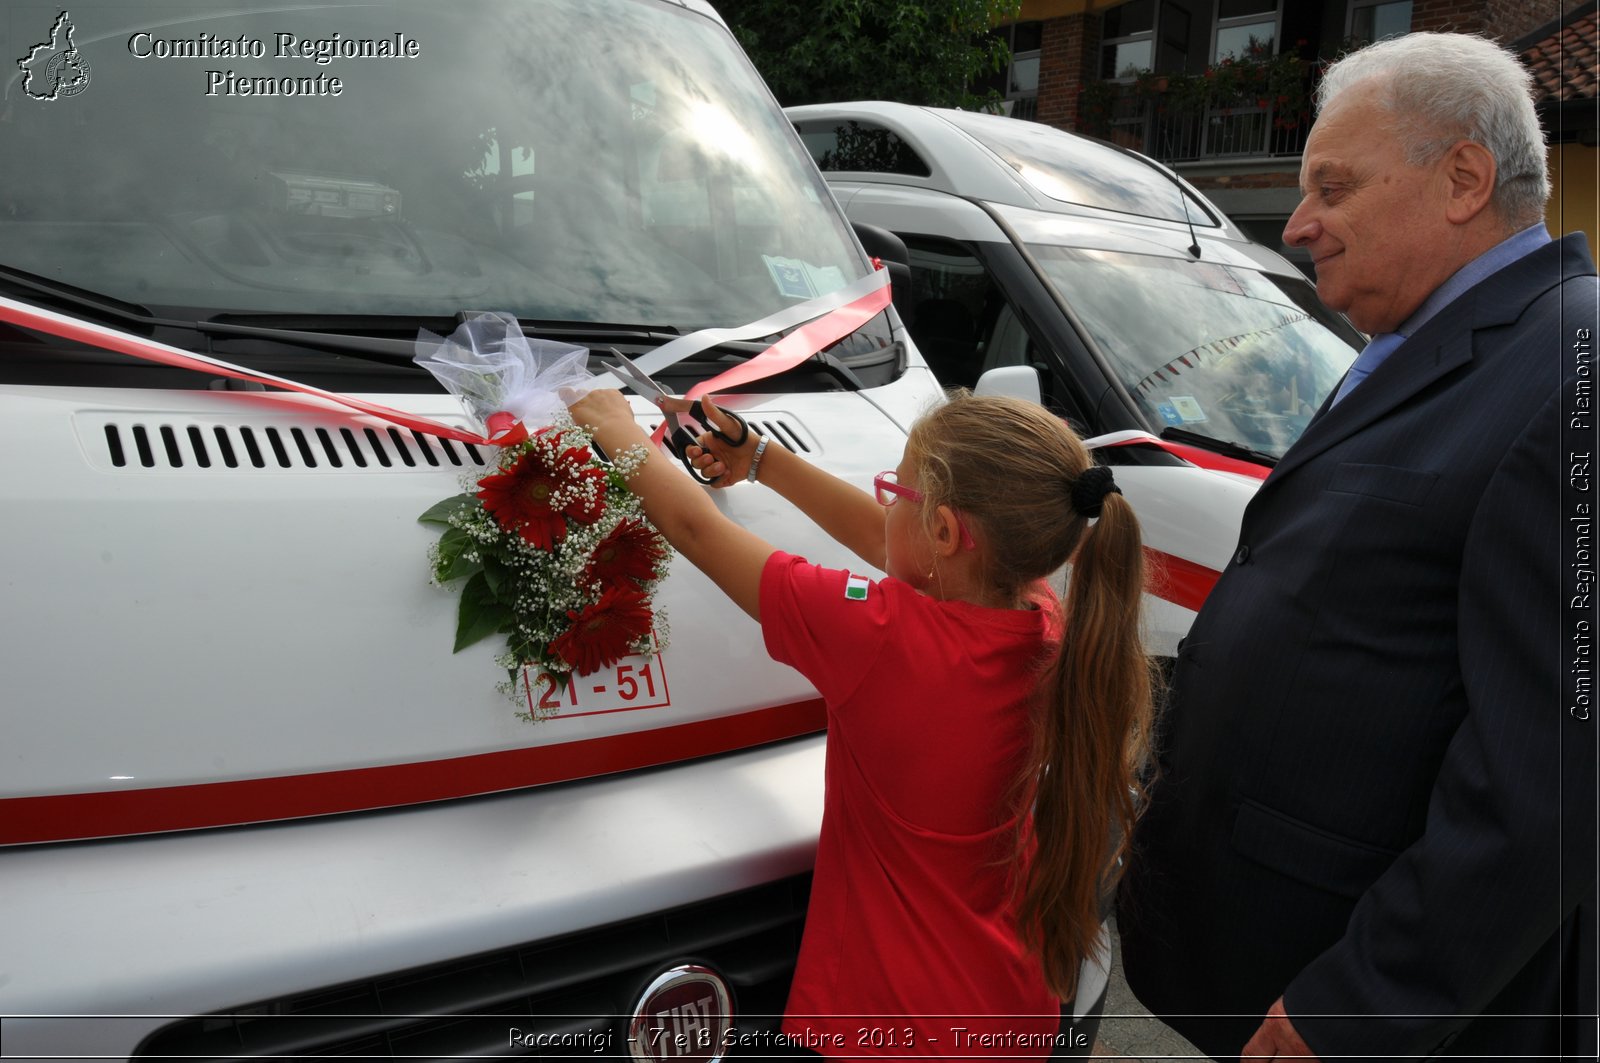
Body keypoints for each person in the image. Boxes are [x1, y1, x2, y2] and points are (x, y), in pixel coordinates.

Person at [1116, 31, 1598, 1062]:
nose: (1298, 227)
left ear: (1463, 177)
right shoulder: (1418, 340)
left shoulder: (1571, 367)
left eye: (1331, 188)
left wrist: (1365, 1002)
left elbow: (1556, 771)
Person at [567, 387, 1154, 1058]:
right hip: (1007, 1008)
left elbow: (698, 530)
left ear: (943, 532)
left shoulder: (881, 637)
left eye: (895, 492)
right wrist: (761, 458)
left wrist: (617, 428)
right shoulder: (1039, 614)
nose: (885, 505)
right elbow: (896, 544)